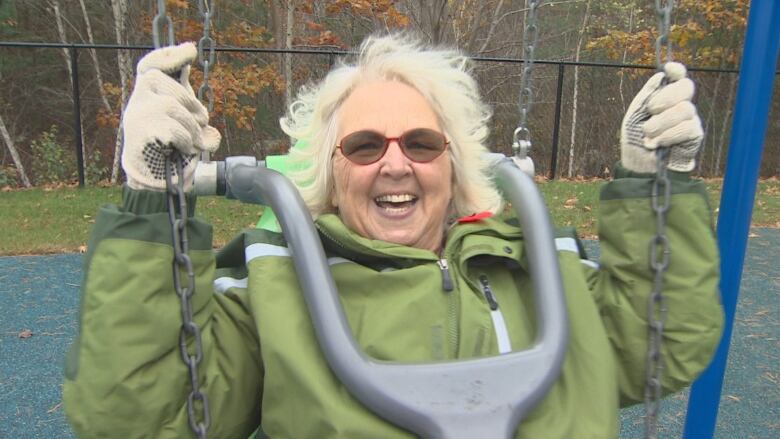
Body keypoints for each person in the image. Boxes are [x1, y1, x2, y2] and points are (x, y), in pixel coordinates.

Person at [63, 33, 723, 438]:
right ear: (330, 170)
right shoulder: (275, 291)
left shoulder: (538, 273)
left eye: (422, 142)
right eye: (365, 144)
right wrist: (154, 206)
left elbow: (659, 348)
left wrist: (654, 184)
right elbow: (142, 420)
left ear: (455, 164)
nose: (396, 162)